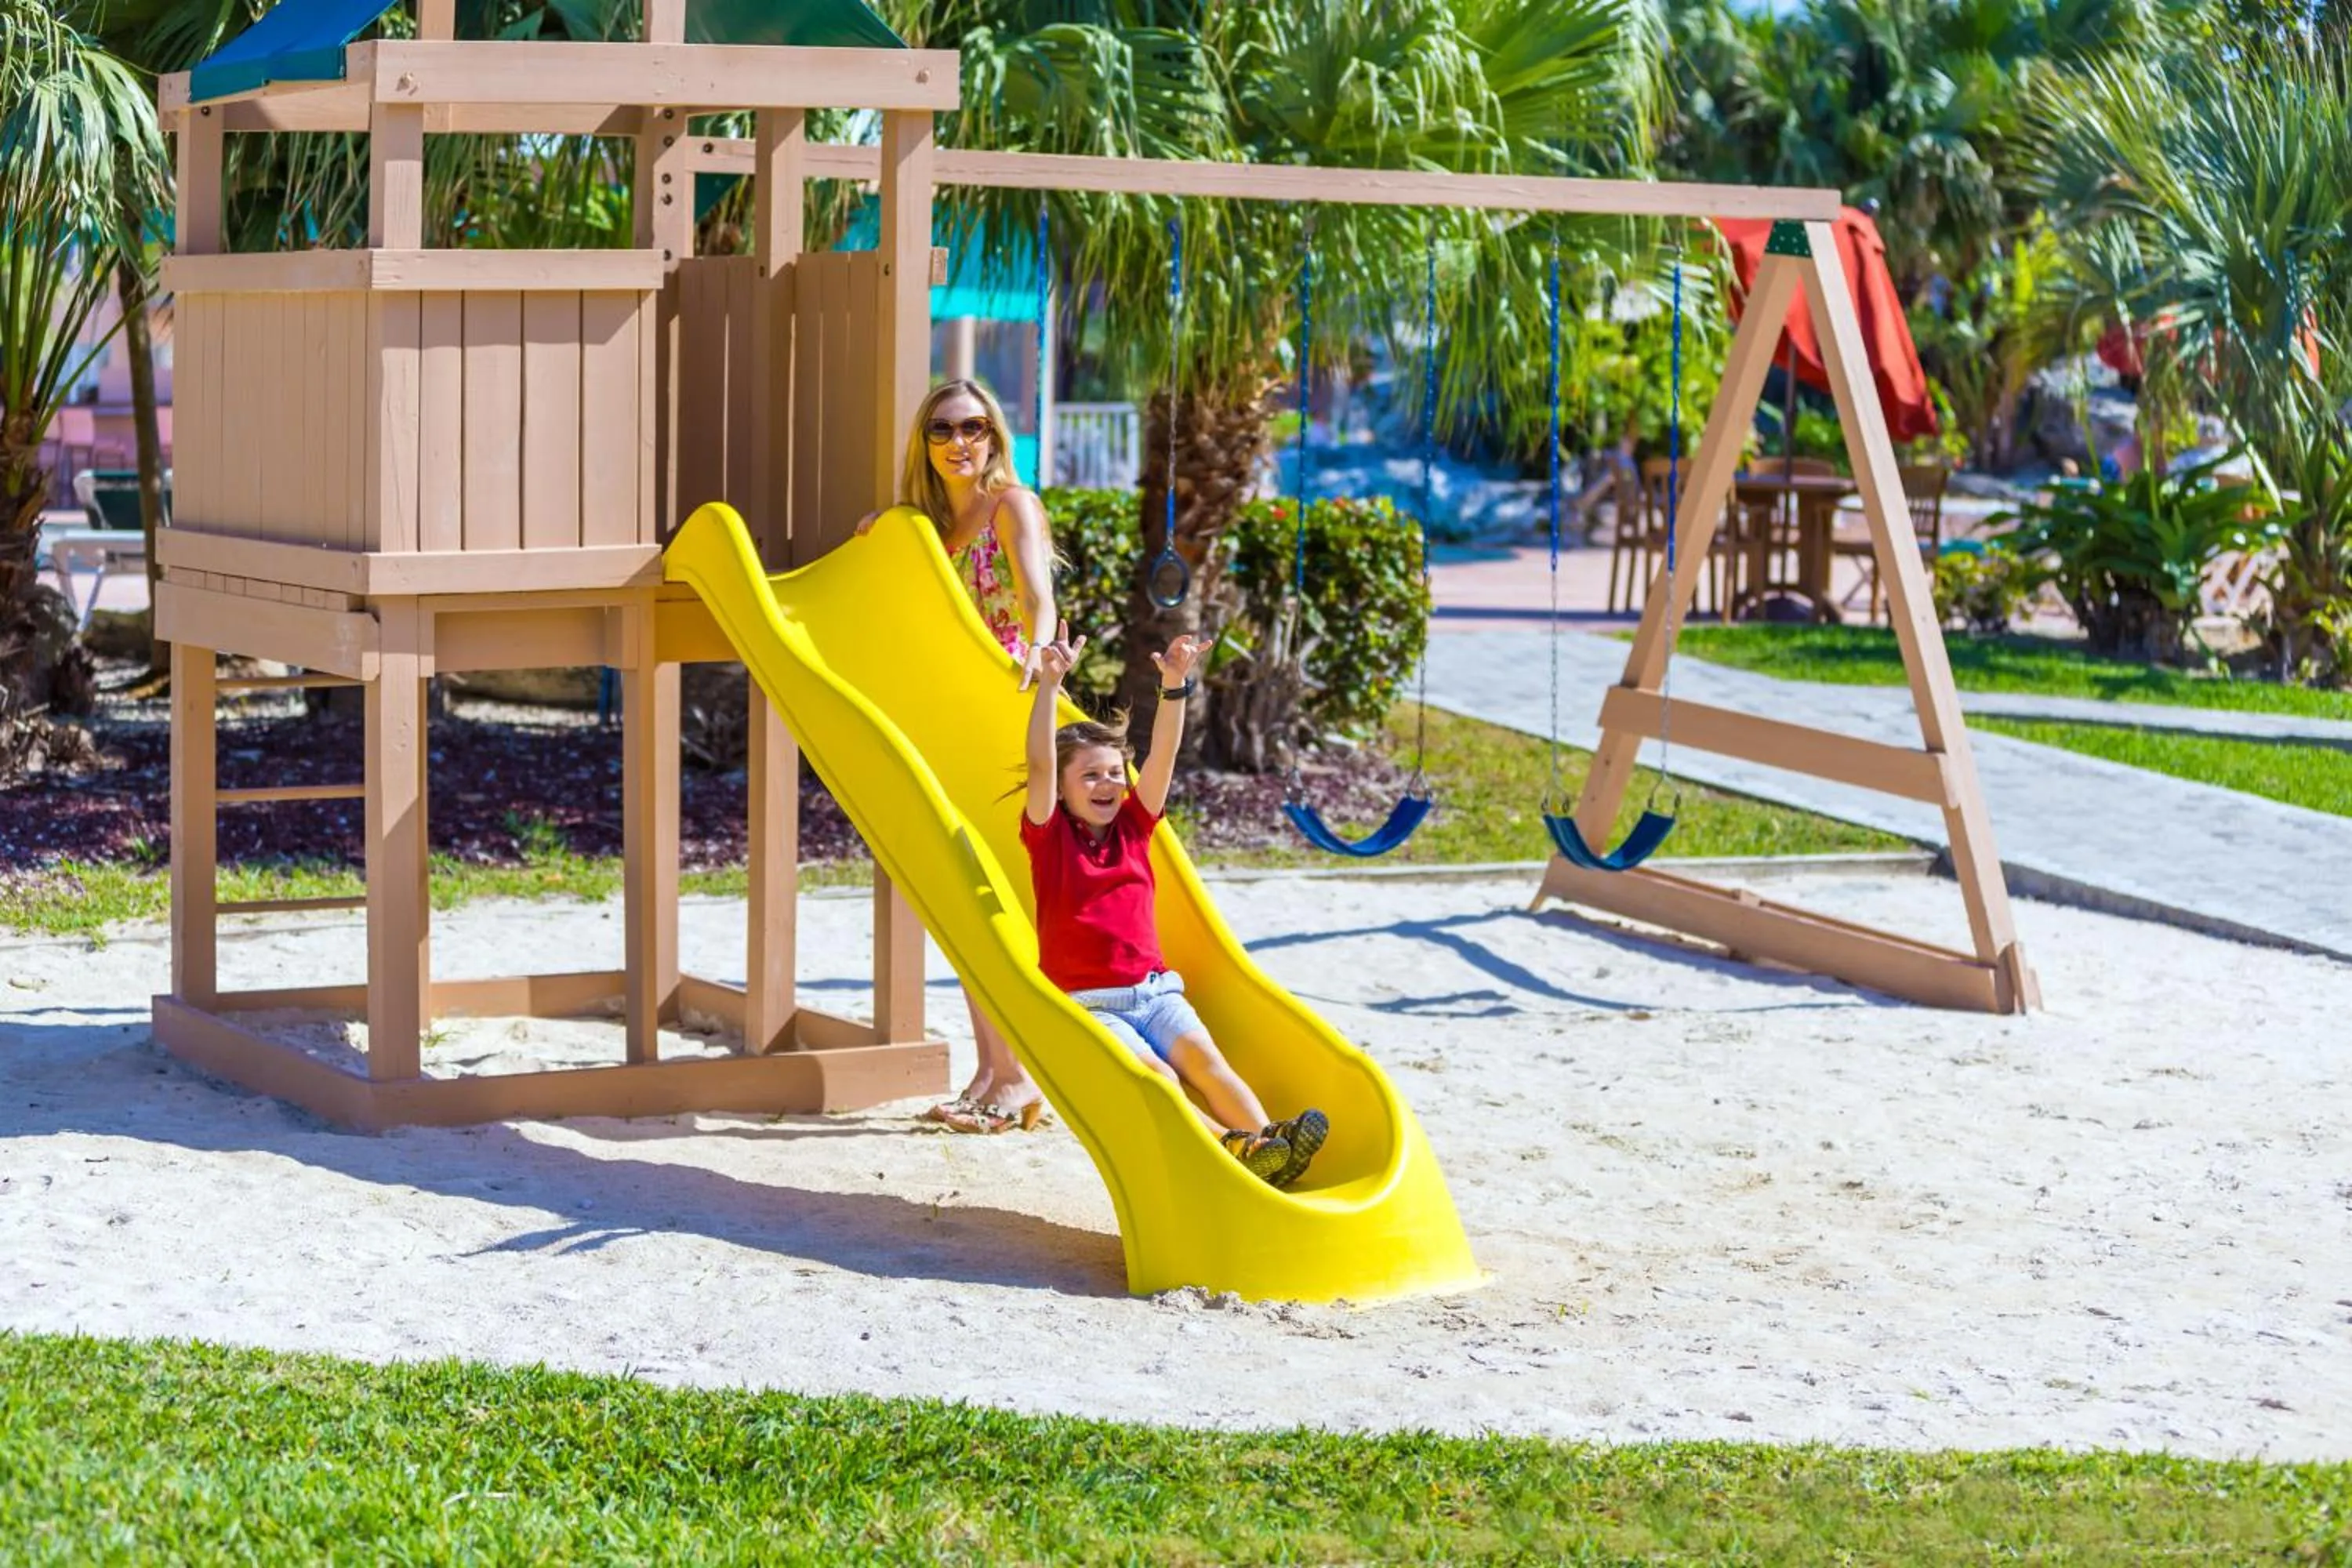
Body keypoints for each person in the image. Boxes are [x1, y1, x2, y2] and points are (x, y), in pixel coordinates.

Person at [1019, 623, 1328, 1189]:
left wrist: (1175, 683)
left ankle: (1273, 1147)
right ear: (1063, 790)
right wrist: (1048, 686)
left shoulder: (1135, 825)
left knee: (1209, 1065)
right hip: (1092, 1006)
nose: (1106, 783)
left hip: (1155, 992)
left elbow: (1164, 753)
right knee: (1159, 1075)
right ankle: (1230, 1145)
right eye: (1090, 775)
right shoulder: (1048, 836)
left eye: (1114, 772)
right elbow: (1040, 763)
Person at [858, 379, 1056, 1134]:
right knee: (954, 891)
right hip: (937, 717)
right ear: (925, 443)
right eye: (942, 431)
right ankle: (994, 1068)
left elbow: (1038, 596)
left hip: (997, 710)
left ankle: (1016, 1073)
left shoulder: (1012, 506)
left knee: (984, 890)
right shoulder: (926, 527)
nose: (959, 443)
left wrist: (1036, 654)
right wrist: (878, 538)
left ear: (994, 435)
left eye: (973, 427)